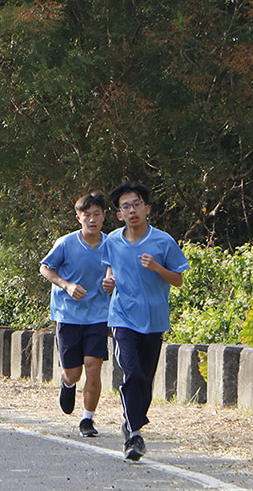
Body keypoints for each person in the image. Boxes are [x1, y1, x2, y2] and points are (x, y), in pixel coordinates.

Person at [102, 182, 189, 461]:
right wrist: (108, 280)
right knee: (132, 373)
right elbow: (109, 268)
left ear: (147, 208)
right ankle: (136, 435)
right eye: (125, 207)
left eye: (136, 204)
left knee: (146, 380)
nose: (132, 210)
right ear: (119, 215)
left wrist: (157, 267)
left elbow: (178, 279)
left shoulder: (163, 241)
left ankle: (130, 423)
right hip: (122, 317)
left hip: (154, 319)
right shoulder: (112, 240)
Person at [40, 192, 114, 437]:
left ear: (104, 216)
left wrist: (112, 281)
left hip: (99, 314)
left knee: (93, 366)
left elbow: (117, 270)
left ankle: (88, 419)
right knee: (74, 372)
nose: (92, 220)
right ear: (78, 218)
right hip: (68, 314)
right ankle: (67, 383)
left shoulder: (112, 244)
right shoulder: (66, 243)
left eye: (96, 214)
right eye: (87, 215)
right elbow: (45, 268)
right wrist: (66, 285)